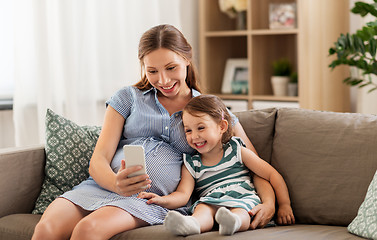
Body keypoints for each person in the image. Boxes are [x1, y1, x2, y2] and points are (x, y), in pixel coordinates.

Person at [32, 24, 275, 240]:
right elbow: (99, 160)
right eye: (152, 71)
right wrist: (116, 184)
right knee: (46, 230)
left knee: (88, 230)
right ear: (143, 67)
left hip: (155, 200)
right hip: (101, 186)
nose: (163, 79)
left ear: (187, 59)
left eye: (171, 68)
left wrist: (269, 203)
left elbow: (252, 162)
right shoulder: (127, 98)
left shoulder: (209, 110)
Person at [138, 94, 295, 236]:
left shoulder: (237, 150)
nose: (195, 136)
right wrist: (161, 199)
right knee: (202, 209)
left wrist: (284, 204)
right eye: (188, 130)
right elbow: (182, 195)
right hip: (212, 200)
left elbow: (271, 174)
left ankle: (234, 222)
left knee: (241, 210)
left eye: (201, 128)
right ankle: (192, 224)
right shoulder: (191, 164)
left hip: (242, 197)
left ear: (222, 127)